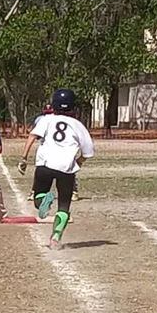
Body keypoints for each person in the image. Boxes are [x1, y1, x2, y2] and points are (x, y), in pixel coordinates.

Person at [18, 89, 94, 249]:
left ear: (54, 105)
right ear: (73, 107)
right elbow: (87, 152)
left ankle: (44, 199)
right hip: (66, 169)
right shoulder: (79, 126)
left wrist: (24, 158)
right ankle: (56, 237)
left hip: (45, 165)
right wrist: (78, 162)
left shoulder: (46, 120)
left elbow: (32, 136)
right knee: (64, 206)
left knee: (38, 198)